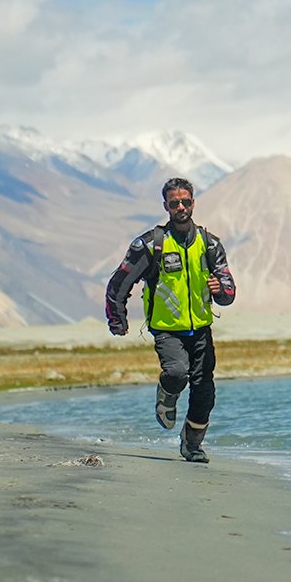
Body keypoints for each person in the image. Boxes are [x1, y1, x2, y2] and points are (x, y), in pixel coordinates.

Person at [104, 177, 237, 463]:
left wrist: (221, 290)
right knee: (177, 373)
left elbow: (228, 291)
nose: (181, 207)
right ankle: (167, 393)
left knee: (205, 393)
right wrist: (117, 319)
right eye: (174, 203)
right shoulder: (150, 244)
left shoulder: (210, 244)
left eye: (185, 202)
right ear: (166, 206)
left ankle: (192, 445)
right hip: (166, 330)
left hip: (201, 329)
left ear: (193, 203)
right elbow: (118, 283)